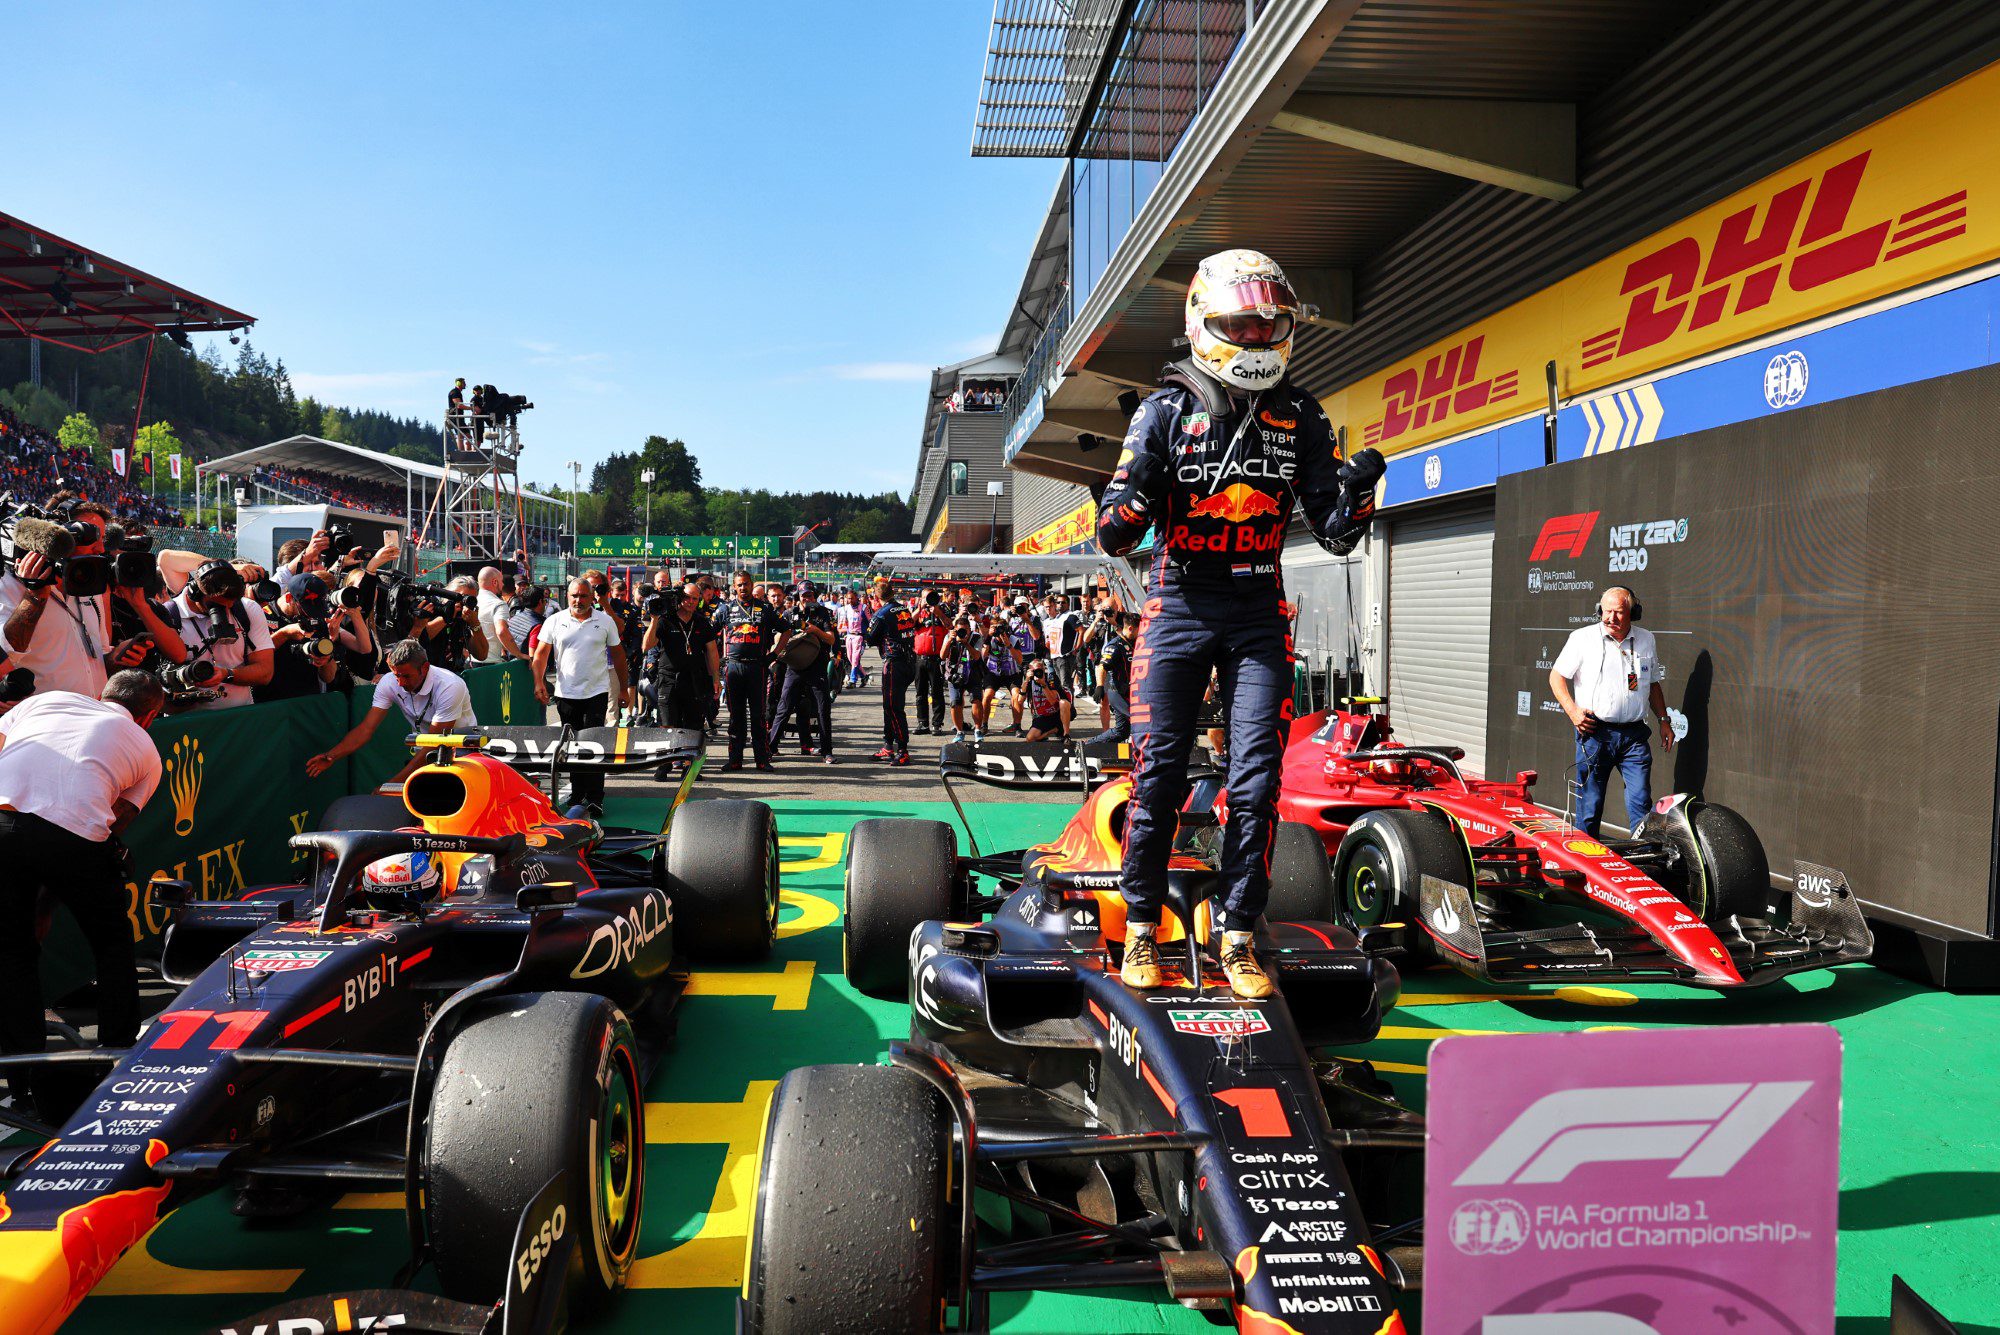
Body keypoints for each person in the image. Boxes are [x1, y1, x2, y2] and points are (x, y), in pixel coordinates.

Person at [1095, 248, 1383, 999]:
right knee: (1155, 777)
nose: (1257, 337)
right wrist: (1134, 498)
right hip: (1179, 603)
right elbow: (1111, 535)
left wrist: (1357, 496)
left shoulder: (1304, 415)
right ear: (1203, 321)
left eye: (1268, 323)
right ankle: (1139, 928)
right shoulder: (1162, 412)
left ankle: (1237, 932)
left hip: (1259, 612)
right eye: (1242, 323)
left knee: (1255, 783)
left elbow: (1336, 532)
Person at [0, 671, 167, 1116]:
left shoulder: (47, 700)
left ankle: (22, 1077)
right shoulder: (146, 748)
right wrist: (51, 895)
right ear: (149, 716)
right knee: (112, 946)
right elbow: (112, 822)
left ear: (100, 695)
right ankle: (116, 1055)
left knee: (13, 953)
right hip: (72, 840)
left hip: (3, 824)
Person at [1549, 585, 1673, 838]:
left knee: (1641, 800)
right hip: (1596, 734)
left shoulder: (1646, 639)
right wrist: (1573, 711)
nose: (1610, 618)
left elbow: (1653, 684)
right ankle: (1586, 860)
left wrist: (1663, 720)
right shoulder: (1582, 638)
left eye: (1618, 612)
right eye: (1606, 612)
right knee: (1590, 806)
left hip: (1634, 736)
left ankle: (1643, 858)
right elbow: (1556, 677)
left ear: (1633, 613)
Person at [0, 495, 151, 700]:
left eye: (103, 539)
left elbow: (97, 661)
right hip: (44, 723)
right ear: (53, 534)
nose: (99, 549)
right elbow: (7, 655)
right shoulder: (9, 585)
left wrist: (116, 657)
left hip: (93, 715)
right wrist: (35, 596)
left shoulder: (91, 585)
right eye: (88, 536)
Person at [306, 639, 480, 784]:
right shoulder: (389, 682)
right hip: (425, 750)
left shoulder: (450, 685)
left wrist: (393, 785)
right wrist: (330, 756)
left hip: (461, 749)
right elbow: (366, 729)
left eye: (406, 676)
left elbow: (434, 744)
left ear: (425, 668)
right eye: (396, 675)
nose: (400, 683)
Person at [533, 578, 628, 814]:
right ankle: (577, 796)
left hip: (596, 693)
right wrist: (538, 682)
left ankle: (596, 797)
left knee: (593, 746)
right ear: (568, 596)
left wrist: (624, 688)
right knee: (572, 746)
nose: (578, 600)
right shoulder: (555, 621)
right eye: (575, 595)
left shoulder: (605, 621)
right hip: (566, 694)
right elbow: (541, 654)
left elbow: (618, 656)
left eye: (583, 596)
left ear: (591, 597)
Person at [169, 560, 276, 709]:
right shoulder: (170, 615)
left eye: (231, 604)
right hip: (189, 722)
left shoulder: (247, 608)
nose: (226, 611)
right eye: (217, 605)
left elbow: (265, 672)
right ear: (196, 592)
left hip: (240, 716)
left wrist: (227, 674)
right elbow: (165, 558)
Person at [717, 569, 788, 771]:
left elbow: (787, 630)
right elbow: (708, 632)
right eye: (739, 584)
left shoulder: (765, 609)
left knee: (758, 716)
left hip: (758, 667)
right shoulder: (725, 609)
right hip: (733, 667)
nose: (743, 587)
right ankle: (735, 760)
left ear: (751, 584)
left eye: (746, 583)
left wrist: (774, 655)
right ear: (734, 586)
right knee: (735, 716)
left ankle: (762, 759)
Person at [770, 584, 839, 764]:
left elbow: (831, 639)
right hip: (795, 665)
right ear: (798, 596)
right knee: (783, 707)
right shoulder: (789, 612)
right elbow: (777, 637)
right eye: (803, 595)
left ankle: (827, 751)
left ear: (814, 596)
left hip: (817, 666)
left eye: (809, 595)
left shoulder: (824, 613)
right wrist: (790, 634)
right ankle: (769, 748)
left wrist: (815, 630)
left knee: (823, 710)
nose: (806, 598)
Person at [642, 585, 720, 730]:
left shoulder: (702, 622)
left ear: (699, 601)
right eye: (687, 597)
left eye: (694, 598)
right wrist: (654, 619)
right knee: (667, 725)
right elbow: (646, 646)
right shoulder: (665, 620)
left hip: (694, 680)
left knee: (694, 727)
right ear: (679, 598)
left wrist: (716, 678)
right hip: (668, 679)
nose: (690, 601)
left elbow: (712, 652)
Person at [864, 576, 916, 764]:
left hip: (895, 663)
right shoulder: (903, 608)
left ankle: (903, 750)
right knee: (890, 705)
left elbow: (869, 638)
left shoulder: (881, 614)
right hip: (909, 660)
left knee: (893, 707)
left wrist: (870, 615)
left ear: (877, 598)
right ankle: (888, 746)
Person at [1091, 613, 1138, 744]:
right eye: (1140, 629)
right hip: (1117, 692)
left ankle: (1089, 745)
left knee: (1121, 731)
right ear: (1130, 628)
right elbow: (1102, 667)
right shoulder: (1115, 646)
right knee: (1140, 720)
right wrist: (1100, 686)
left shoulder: (1136, 643)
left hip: (1131, 692)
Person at [941, 615, 986, 740]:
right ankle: (960, 732)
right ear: (955, 629)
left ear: (970, 630)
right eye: (960, 630)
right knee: (955, 703)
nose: (963, 632)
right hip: (954, 674)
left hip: (973, 673)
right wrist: (950, 640)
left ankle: (978, 730)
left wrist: (966, 643)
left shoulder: (976, 637)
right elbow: (942, 656)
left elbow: (977, 656)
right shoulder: (949, 636)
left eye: (965, 630)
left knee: (976, 700)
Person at [911, 593, 949, 735]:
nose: (928, 600)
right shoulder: (917, 611)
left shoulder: (943, 609)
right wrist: (920, 608)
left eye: (930, 597)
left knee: (937, 693)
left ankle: (937, 724)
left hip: (936, 659)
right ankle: (923, 723)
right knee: (920, 693)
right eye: (925, 597)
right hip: (920, 658)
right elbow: (909, 623)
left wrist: (938, 613)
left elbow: (950, 626)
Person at [1022, 658, 1074, 742]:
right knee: (1030, 738)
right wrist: (1026, 680)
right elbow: (1020, 700)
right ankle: (1053, 730)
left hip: (1058, 713)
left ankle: (1066, 734)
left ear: (1043, 669)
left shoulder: (1051, 678)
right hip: (1042, 716)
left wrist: (1043, 684)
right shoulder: (1029, 681)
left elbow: (1053, 701)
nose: (1036, 673)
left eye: (1038, 670)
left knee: (1063, 702)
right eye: (1033, 671)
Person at [473, 566, 507, 664]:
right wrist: (518, 654)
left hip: (472, 661)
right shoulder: (498, 604)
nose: (503, 584)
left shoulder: (471, 602)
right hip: (491, 664)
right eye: (501, 581)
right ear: (495, 582)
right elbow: (501, 632)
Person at [837, 589, 868, 687]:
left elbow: (870, 622)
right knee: (851, 659)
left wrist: (867, 636)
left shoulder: (863, 607)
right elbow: (843, 622)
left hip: (859, 637)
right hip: (849, 636)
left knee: (855, 659)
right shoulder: (845, 609)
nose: (850, 600)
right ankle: (864, 676)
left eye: (852, 598)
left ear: (856, 598)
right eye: (848, 598)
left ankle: (852, 680)